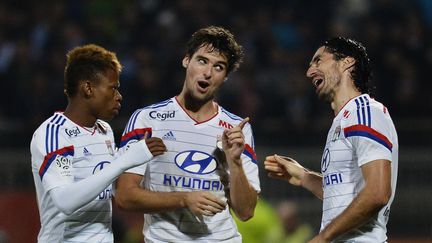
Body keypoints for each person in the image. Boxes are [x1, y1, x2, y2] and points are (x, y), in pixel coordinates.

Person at [115, 26, 260, 242]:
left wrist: (235, 162)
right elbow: (125, 197)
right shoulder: (147, 120)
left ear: (225, 77)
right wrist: (184, 199)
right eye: (202, 61)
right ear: (186, 61)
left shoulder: (237, 128)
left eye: (218, 67)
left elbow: (246, 212)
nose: (208, 73)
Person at [264, 37, 398, 242]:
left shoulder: (365, 111)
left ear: (347, 62)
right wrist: (302, 176)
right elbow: (343, 197)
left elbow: (378, 193)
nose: (309, 72)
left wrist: (323, 237)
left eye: (318, 61)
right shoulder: (343, 120)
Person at [30, 44, 166, 242]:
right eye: (113, 88)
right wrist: (123, 161)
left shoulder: (104, 131)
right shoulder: (53, 133)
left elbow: (110, 182)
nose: (119, 96)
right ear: (88, 88)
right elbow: (65, 201)